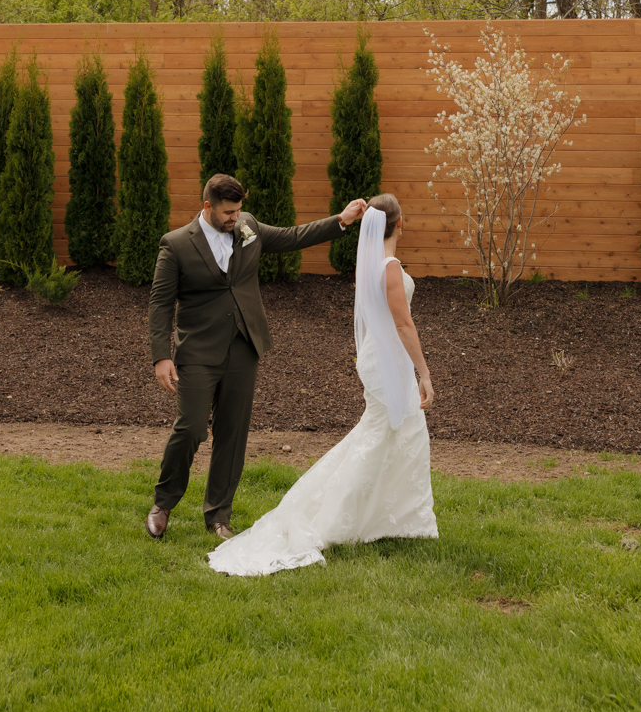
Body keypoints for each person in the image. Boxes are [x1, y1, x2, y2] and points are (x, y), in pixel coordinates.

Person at [207, 194, 437, 575]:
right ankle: (346, 517)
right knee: (392, 433)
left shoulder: (369, 266)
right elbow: (402, 324)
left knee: (392, 435)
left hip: (378, 360)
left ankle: (394, 517)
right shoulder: (390, 267)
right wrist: (424, 372)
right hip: (389, 363)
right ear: (401, 222)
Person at [146, 173, 368, 541]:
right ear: (208, 207)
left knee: (232, 434)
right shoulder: (176, 245)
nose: (235, 217)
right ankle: (163, 503)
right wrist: (160, 356)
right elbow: (159, 304)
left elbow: (292, 237)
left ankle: (218, 515)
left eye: (238, 210)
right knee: (191, 428)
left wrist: (341, 220)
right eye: (228, 212)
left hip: (243, 346)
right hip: (198, 351)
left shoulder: (247, 226)